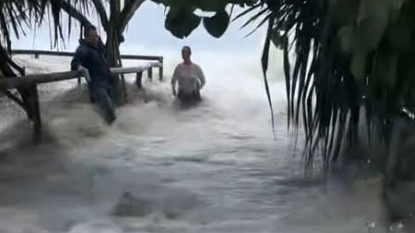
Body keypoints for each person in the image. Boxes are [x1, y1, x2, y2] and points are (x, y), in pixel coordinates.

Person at [71, 25, 116, 124]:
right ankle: (109, 134)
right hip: (97, 87)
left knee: (108, 113)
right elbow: (74, 63)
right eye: (93, 37)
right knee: (109, 114)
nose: (96, 39)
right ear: (86, 37)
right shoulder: (83, 49)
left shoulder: (97, 47)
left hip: (106, 84)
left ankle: (107, 134)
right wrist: (80, 67)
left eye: (96, 36)